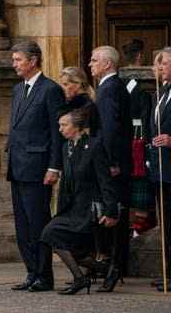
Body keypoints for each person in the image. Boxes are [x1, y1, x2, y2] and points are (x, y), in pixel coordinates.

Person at [7, 41, 65, 292]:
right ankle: (31, 271)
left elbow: (56, 132)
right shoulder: (18, 90)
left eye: (18, 60)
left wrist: (54, 167)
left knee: (38, 222)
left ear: (33, 61)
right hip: (18, 165)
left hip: (38, 167)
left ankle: (44, 275)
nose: (14, 64)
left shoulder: (50, 89)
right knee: (22, 226)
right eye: (14, 60)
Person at [41, 109, 118, 295]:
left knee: (50, 234)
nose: (60, 129)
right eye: (60, 125)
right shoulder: (66, 147)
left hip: (89, 207)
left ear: (77, 127)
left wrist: (111, 211)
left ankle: (81, 279)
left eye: (64, 125)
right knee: (68, 246)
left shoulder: (94, 146)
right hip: (72, 207)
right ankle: (107, 271)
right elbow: (67, 182)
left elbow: (105, 180)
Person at [89, 45, 133, 292]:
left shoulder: (108, 89)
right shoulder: (110, 87)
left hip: (111, 164)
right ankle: (112, 266)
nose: (90, 64)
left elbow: (111, 130)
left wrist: (111, 162)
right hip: (112, 161)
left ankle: (113, 268)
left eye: (94, 60)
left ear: (107, 64)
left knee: (113, 215)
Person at [122, 39, 155, 234]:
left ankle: (137, 228)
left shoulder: (117, 81)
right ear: (140, 56)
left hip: (127, 142)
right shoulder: (143, 86)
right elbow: (145, 117)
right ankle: (139, 228)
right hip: (140, 143)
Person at [148, 47, 171, 292]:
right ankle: (167, 271)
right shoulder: (161, 92)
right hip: (161, 167)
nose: (160, 67)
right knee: (165, 222)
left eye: (163, 63)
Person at [58, 67, 99, 136]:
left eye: (65, 84)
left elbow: (86, 136)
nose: (62, 88)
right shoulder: (70, 104)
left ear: (78, 84)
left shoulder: (86, 106)